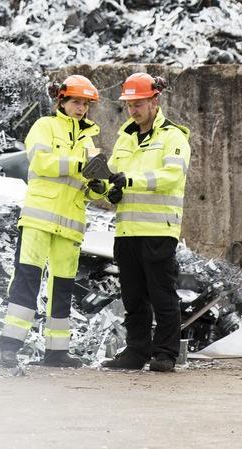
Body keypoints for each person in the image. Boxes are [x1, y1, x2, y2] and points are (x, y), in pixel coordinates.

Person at [0, 74, 102, 368]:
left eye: (85, 104)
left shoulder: (90, 141)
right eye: (76, 102)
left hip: (70, 225)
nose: (81, 108)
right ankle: (10, 347)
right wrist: (81, 165)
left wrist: (103, 186)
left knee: (63, 288)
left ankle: (56, 352)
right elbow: (42, 163)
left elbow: (96, 181)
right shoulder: (44, 126)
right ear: (62, 101)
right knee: (26, 281)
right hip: (38, 221)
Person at [100, 72, 191, 373]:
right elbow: (113, 171)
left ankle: (165, 353)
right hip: (127, 230)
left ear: (155, 101)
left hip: (158, 229)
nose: (133, 110)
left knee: (162, 294)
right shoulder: (125, 137)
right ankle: (136, 352)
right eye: (129, 105)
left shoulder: (173, 137)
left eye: (139, 104)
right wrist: (108, 189)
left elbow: (170, 177)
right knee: (133, 297)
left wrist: (131, 180)